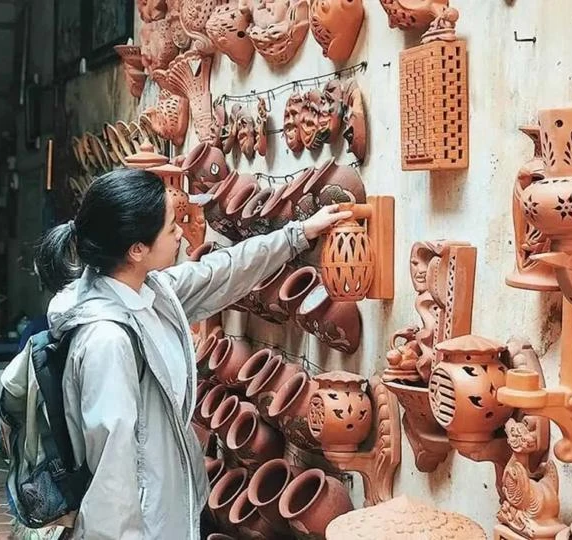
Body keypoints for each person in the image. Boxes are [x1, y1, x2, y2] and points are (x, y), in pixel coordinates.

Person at [33, 168, 352, 540]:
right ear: (137, 249)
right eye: (171, 228)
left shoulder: (147, 292)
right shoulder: (108, 340)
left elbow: (221, 272)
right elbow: (112, 470)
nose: (181, 233)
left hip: (169, 513)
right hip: (142, 527)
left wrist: (298, 235)